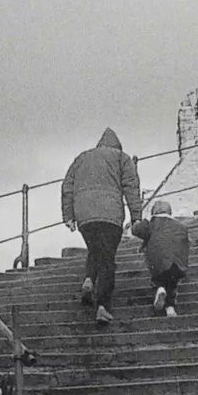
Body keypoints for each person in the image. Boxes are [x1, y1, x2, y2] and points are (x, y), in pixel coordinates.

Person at [60, 128, 143, 324]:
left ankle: (89, 278)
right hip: (110, 215)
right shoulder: (122, 158)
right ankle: (102, 306)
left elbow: (67, 187)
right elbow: (131, 187)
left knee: (95, 249)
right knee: (107, 259)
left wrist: (69, 216)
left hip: (85, 216)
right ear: (117, 146)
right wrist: (136, 217)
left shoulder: (82, 158)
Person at [131, 200, 190, 317]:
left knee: (159, 277)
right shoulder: (181, 226)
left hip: (159, 261)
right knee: (172, 282)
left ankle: (159, 288)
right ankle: (170, 307)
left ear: (154, 212)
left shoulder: (151, 224)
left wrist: (138, 221)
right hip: (178, 264)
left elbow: (136, 230)